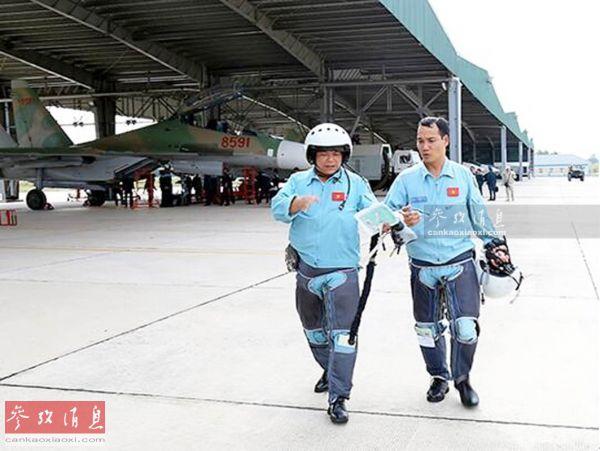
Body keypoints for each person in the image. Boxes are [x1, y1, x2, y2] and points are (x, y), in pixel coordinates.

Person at [384, 117, 511, 408]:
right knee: (426, 329)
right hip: (422, 266)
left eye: (431, 140)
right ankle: (439, 376)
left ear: (445, 141)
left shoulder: (463, 177)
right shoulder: (406, 180)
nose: (424, 146)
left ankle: (462, 379)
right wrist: (400, 220)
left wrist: (495, 245)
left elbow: (479, 217)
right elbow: (384, 217)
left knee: (466, 328)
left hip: (460, 261)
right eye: (419, 141)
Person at [271, 123, 377, 424]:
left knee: (343, 337)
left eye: (336, 154)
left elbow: (373, 211)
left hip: (342, 271)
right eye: (323, 154)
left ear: (344, 155)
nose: (330, 160)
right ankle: (331, 371)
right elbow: (276, 208)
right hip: (306, 271)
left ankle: (339, 397)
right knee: (314, 332)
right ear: (312, 155)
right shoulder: (297, 181)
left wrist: (390, 222)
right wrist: (295, 203)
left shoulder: (356, 184)